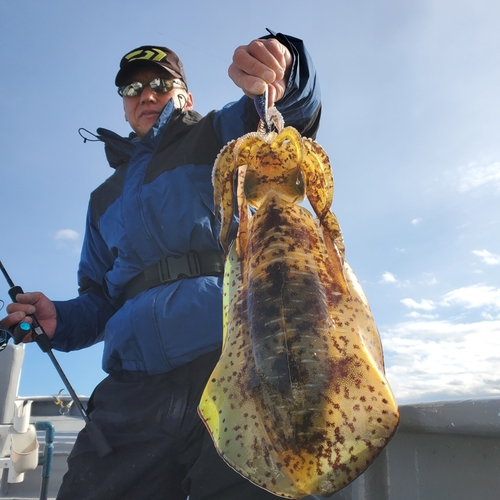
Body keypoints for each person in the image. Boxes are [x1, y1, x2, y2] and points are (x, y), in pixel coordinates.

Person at [0, 30, 321, 499]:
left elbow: (289, 115)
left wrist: (284, 65)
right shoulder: (103, 200)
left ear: (184, 95)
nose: (146, 95)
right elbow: (101, 299)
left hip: (235, 362)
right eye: (133, 88)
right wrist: (60, 319)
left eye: (160, 83)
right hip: (134, 387)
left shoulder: (217, 136)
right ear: (124, 104)